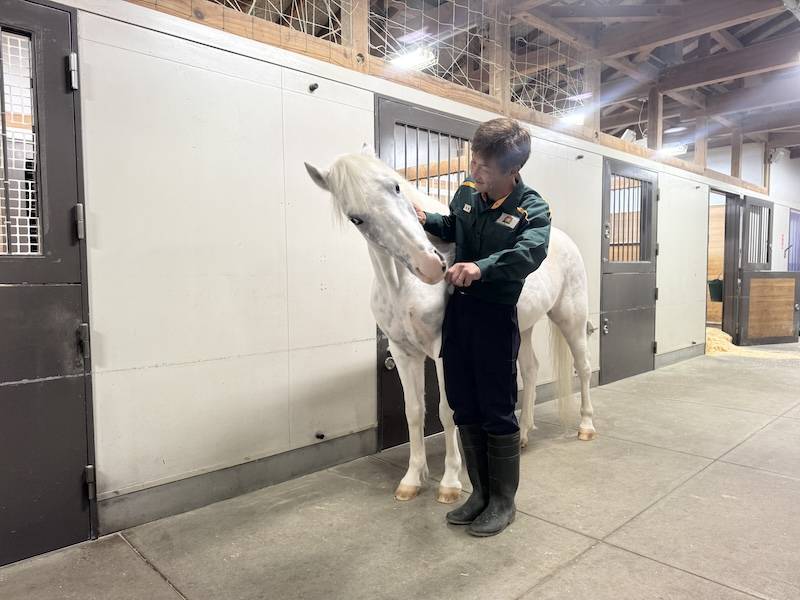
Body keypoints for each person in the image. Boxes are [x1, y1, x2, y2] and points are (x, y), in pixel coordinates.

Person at [414, 118, 551, 537]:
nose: (475, 172)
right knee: (463, 406)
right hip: (460, 316)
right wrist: (427, 220)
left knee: (495, 409)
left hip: (494, 317)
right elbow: (456, 225)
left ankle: (503, 501)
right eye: (474, 162)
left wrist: (481, 267)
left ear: (512, 171)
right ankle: (480, 494)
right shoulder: (468, 193)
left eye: (485, 168)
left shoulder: (533, 209)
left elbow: (530, 252)